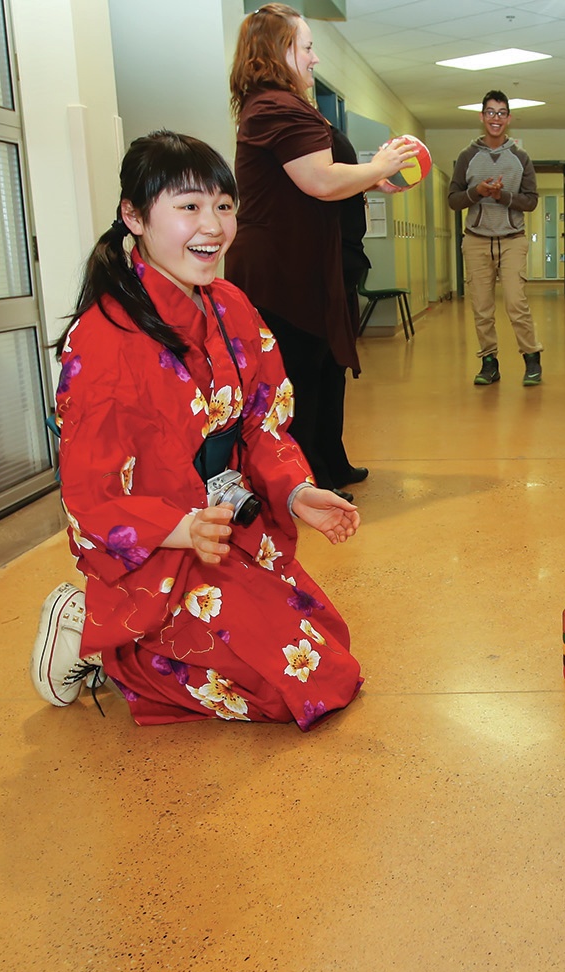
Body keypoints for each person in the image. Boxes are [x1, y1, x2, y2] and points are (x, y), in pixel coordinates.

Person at [29, 130, 365, 729]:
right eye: (188, 207)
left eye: (224, 206)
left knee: (325, 650)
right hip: (161, 547)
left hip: (227, 527)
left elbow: (261, 419)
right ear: (133, 216)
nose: (212, 225)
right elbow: (89, 493)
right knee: (289, 685)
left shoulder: (230, 305)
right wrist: (180, 529)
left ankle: (122, 636)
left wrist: (295, 491)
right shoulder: (102, 339)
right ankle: (99, 631)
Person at [225, 3, 416, 496]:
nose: (313, 59)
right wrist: (381, 164)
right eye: (306, 47)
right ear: (277, 51)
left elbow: (313, 180)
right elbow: (319, 181)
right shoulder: (273, 106)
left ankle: (329, 459)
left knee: (325, 365)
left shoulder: (284, 106)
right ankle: (305, 481)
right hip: (283, 273)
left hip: (310, 265)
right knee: (299, 373)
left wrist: (372, 183)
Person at [447, 91, 546, 388]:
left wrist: (500, 195)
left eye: (501, 113)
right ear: (481, 117)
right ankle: (489, 362)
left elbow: (531, 201)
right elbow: (453, 200)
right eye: (490, 112)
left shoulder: (520, 158)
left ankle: (532, 358)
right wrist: (478, 191)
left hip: (512, 239)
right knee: (482, 307)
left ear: (509, 119)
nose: (496, 118)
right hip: (476, 240)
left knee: (516, 303)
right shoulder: (467, 157)